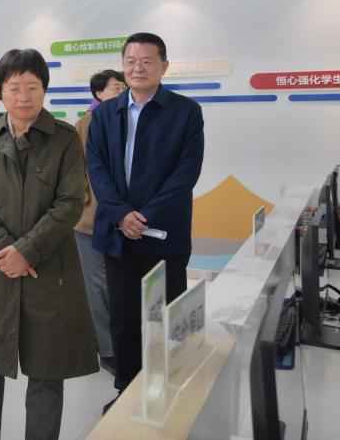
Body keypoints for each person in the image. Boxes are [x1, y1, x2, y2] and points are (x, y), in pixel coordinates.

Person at [0, 49, 98, 440]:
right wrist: (6, 249)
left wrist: (27, 251)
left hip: (48, 271)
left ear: (44, 89)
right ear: (0, 92)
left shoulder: (65, 139)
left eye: (32, 87)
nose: (23, 96)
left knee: (47, 374)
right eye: (14, 88)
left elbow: (71, 201)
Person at [86, 32, 205, 412]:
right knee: (123, 319)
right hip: (117, 234)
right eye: (131, 61)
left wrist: (145, 216)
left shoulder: (186, 112)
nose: (137, 68)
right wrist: (121, 214)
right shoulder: (104, 113)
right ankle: (127, 390)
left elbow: (185, 174)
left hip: (165, 235)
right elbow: (96, 169)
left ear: (164, 66)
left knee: (166, 317)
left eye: (147, 61)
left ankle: (166, 390)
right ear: (123, 65)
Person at [73, 69, 126, 375]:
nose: (122, 92)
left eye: (123, 87)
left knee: (119, 284)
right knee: (98, 286)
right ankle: (107, 349)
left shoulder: (129, 119)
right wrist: (87, 205)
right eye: (116, 88)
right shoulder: (85, 125)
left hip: (126, 220)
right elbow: (76, 173)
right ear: (98, 94)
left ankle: (122, 342)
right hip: (90, 221)